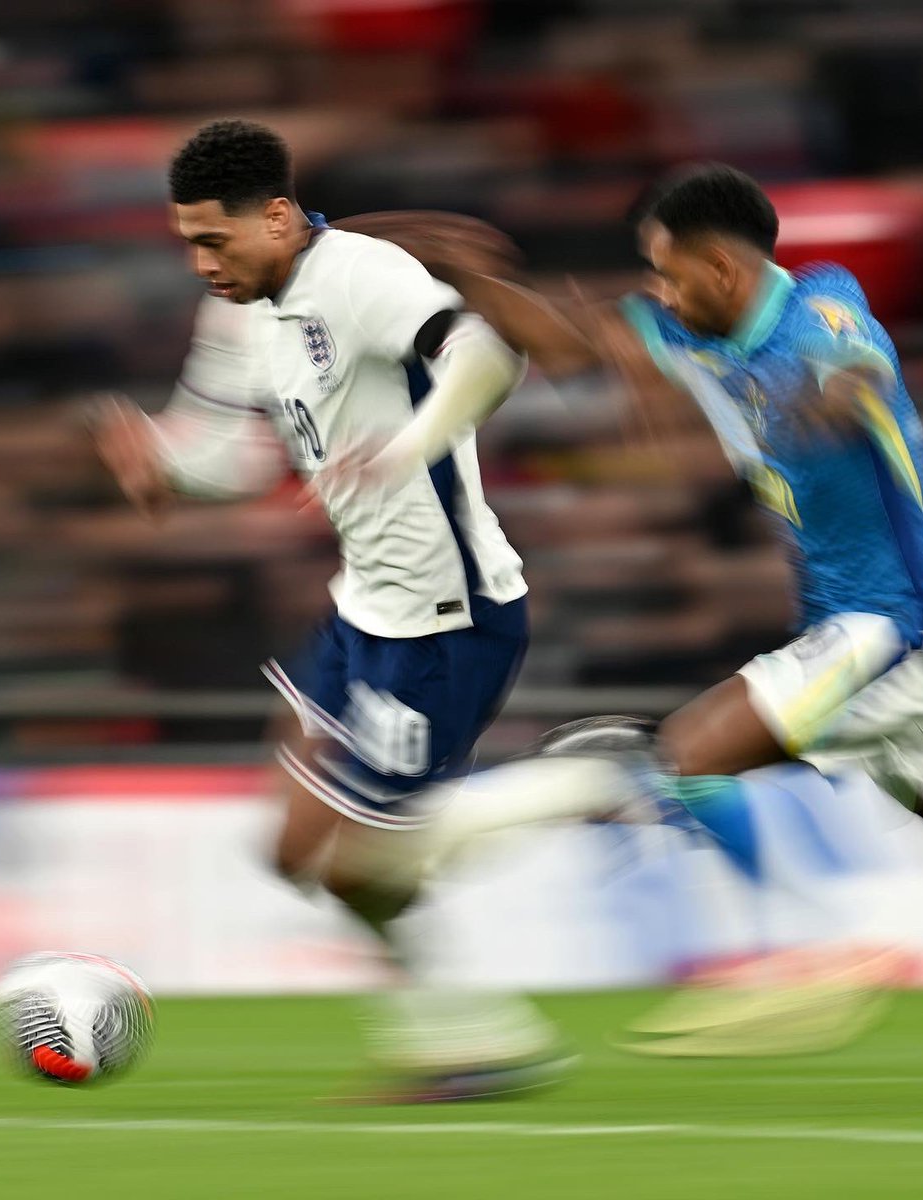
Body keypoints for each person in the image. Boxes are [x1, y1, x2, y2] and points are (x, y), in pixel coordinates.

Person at [346, 163, 923, 964]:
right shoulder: (684, 332)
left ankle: (810, 943)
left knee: (687, 758)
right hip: (896, 630)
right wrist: (472, 278)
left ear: (721, 268)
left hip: (893, 626)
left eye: (667, 274)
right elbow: (571, 344)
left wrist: (829, 399)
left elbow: (855, 367)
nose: (659, 292)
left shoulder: (820, 307)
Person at [91, 119, 575, 1099]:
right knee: (295, 850)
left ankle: (598, 780)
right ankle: (466, 1042)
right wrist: (167, 465)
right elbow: (230, 456)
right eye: (187, 241)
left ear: (276, 217)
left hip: (451, 616)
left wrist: (405, 449)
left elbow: (488, 359)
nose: (200, 262)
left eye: (213, 240)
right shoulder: (236, 311)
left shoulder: (363, 275)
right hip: (365, 610)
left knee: (358, 864)